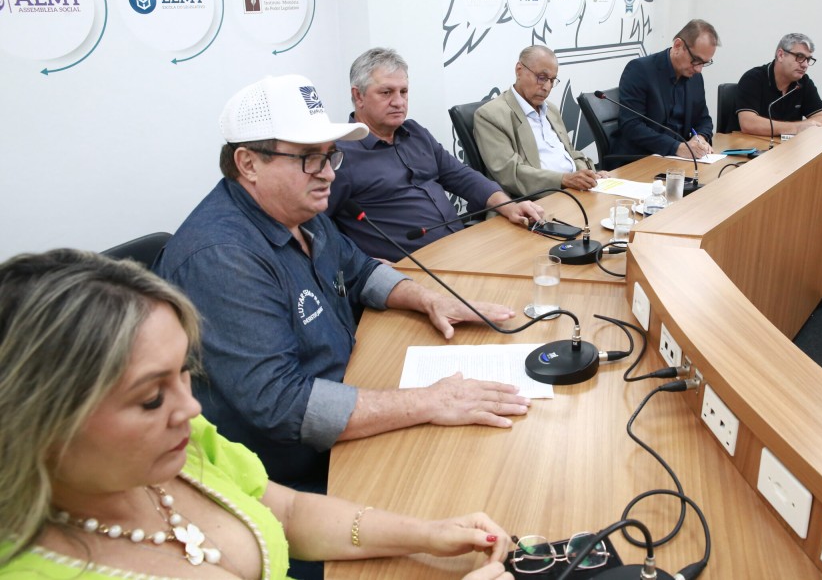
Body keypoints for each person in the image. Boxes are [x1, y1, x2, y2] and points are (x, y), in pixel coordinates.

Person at [0, 249, 513, 580]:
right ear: (39, 420)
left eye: (184, 372)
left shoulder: (176, 445)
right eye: (151, 397)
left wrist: (426, 534)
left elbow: (286, 514)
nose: (191, 409)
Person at [155, 74, 530, 502]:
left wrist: (428, 299)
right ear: (248, 164)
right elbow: (282, 405)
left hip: (348, 402)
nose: (329, 174)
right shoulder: (222, 258)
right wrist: (427, 402)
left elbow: (359, 269)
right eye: (309, 158)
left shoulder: (300, 210)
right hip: (291, 477)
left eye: (330, 156)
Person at [328, 48, 545, 262]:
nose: (399, 102)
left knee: (539, 260)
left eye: (403, 92)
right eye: (386, 93)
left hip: (463, 249)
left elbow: (461, 176)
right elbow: (319, 229)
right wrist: (366, 266)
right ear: (358, 96)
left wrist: (509, 206)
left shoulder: (415, 133)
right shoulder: (339, 156)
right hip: (411, 271)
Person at [474, 45, 607, 197]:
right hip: (536, 201)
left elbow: (571, 153)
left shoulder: (551, 109)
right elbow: (510, 173)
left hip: (575, 191)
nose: (547, 87)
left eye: (552, 80)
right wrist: (564, 180)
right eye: (542, 78)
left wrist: (589, 175)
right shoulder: (491, 115)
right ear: (519, 70)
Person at [610, 19, 719, 160]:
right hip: (640, 158)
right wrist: (676, 147)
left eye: (704, 63)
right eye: (696, 60)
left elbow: (703, 119)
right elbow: (632, 125)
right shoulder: (640, 70)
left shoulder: (695, 77)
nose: (699, 69)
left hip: (678, 159)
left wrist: (700, 138)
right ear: (678, 45)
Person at [736, 32, 822, 136]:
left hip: (788, 145)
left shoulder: (803, 82)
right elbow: (748, 124)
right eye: (799, 56)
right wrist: (797, 128)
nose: (805, 65)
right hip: (750, 144)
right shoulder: (753, 78)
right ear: (781, 55)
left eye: (808, 59)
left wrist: (801, 127)